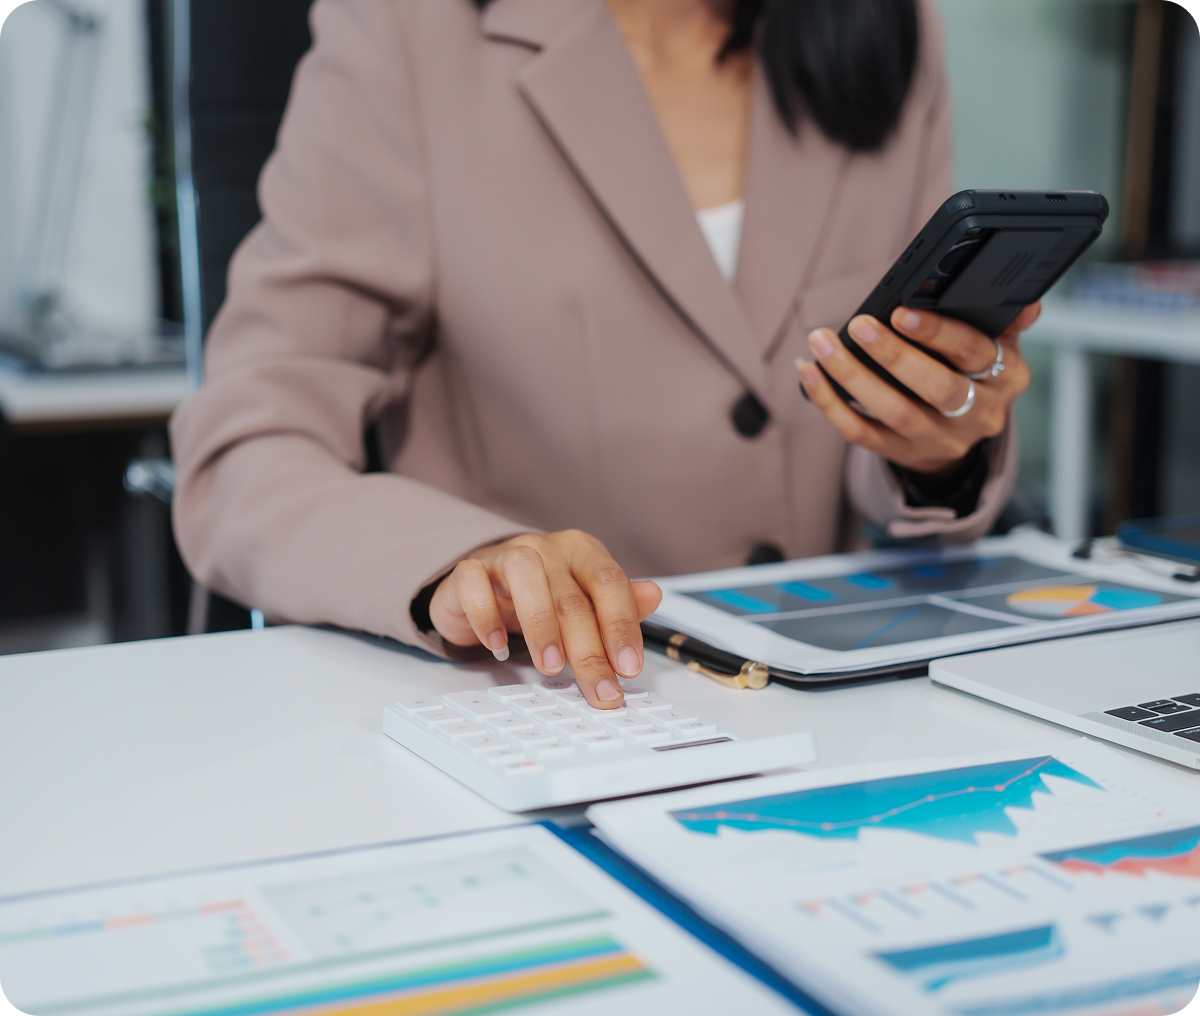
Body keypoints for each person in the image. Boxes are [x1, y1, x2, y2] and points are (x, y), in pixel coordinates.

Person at [170, 0, 1033, 711]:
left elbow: (855, 418)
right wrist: (456, 561)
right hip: (549, 710)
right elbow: (245, 453)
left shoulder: (890, 26)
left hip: (835, 706)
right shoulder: (405, 31)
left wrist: (937, 449)